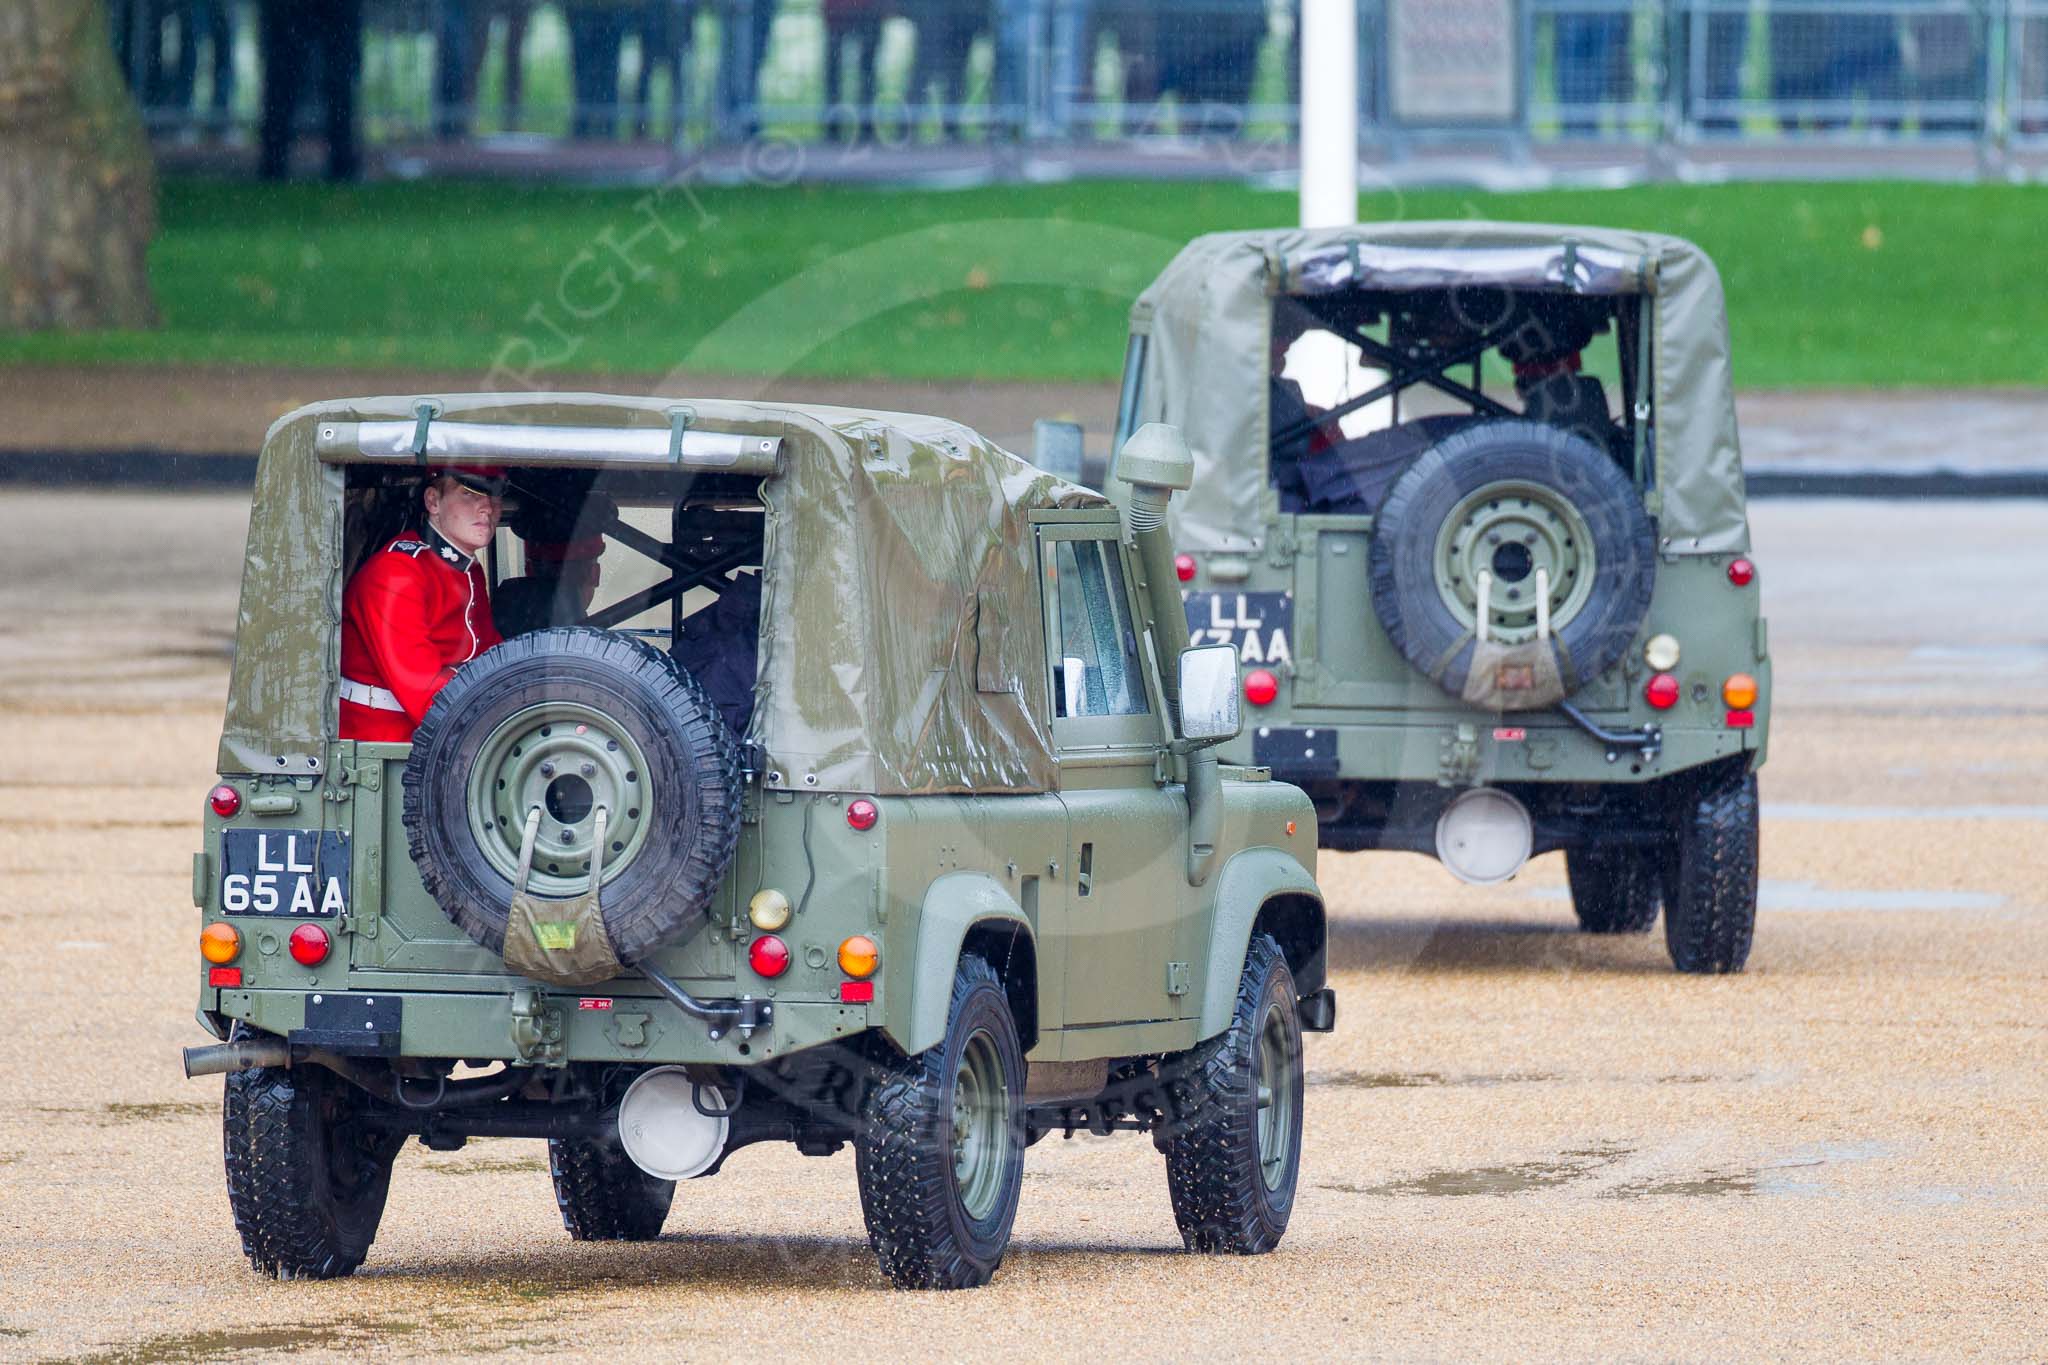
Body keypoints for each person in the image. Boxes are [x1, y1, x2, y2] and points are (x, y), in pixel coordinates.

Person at [339, 466, 507, 742]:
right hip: (387, 747)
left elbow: (492, 657)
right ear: (433, 502)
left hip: (436, 734)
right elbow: (427, 695)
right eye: (468, 493)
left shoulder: (465, 569)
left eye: (494, 495)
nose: (486, 508)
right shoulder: (397, 574)